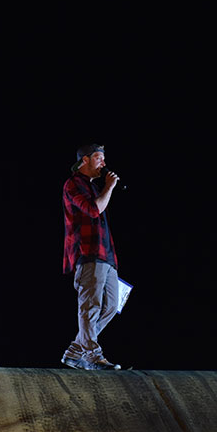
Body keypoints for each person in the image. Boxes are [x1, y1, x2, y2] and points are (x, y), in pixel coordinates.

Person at [60, 143, 124, 370]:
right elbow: (94, 209)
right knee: (90, 306)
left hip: (106, 256)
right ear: (84, 160)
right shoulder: (72, 184)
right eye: (99, 158)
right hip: (88, 254)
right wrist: (109, 187)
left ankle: (75, 351)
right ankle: (92, 356)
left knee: (112, 305)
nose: (104, 163)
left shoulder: (95, 187)